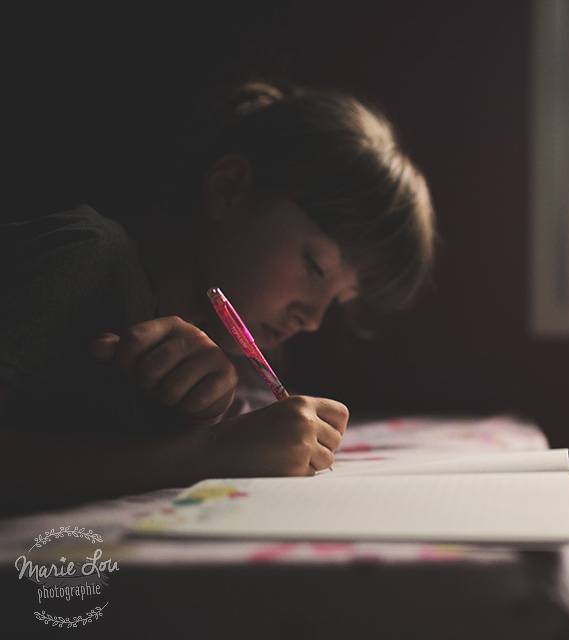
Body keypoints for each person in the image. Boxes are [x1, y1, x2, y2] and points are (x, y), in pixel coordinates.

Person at [0, 83, 436, 513]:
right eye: (315, 266)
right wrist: (211, 449)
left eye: (339, 298)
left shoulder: (234, 364)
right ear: (226, 190)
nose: (314, 319)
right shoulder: (85, 263)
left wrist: (205, 418)